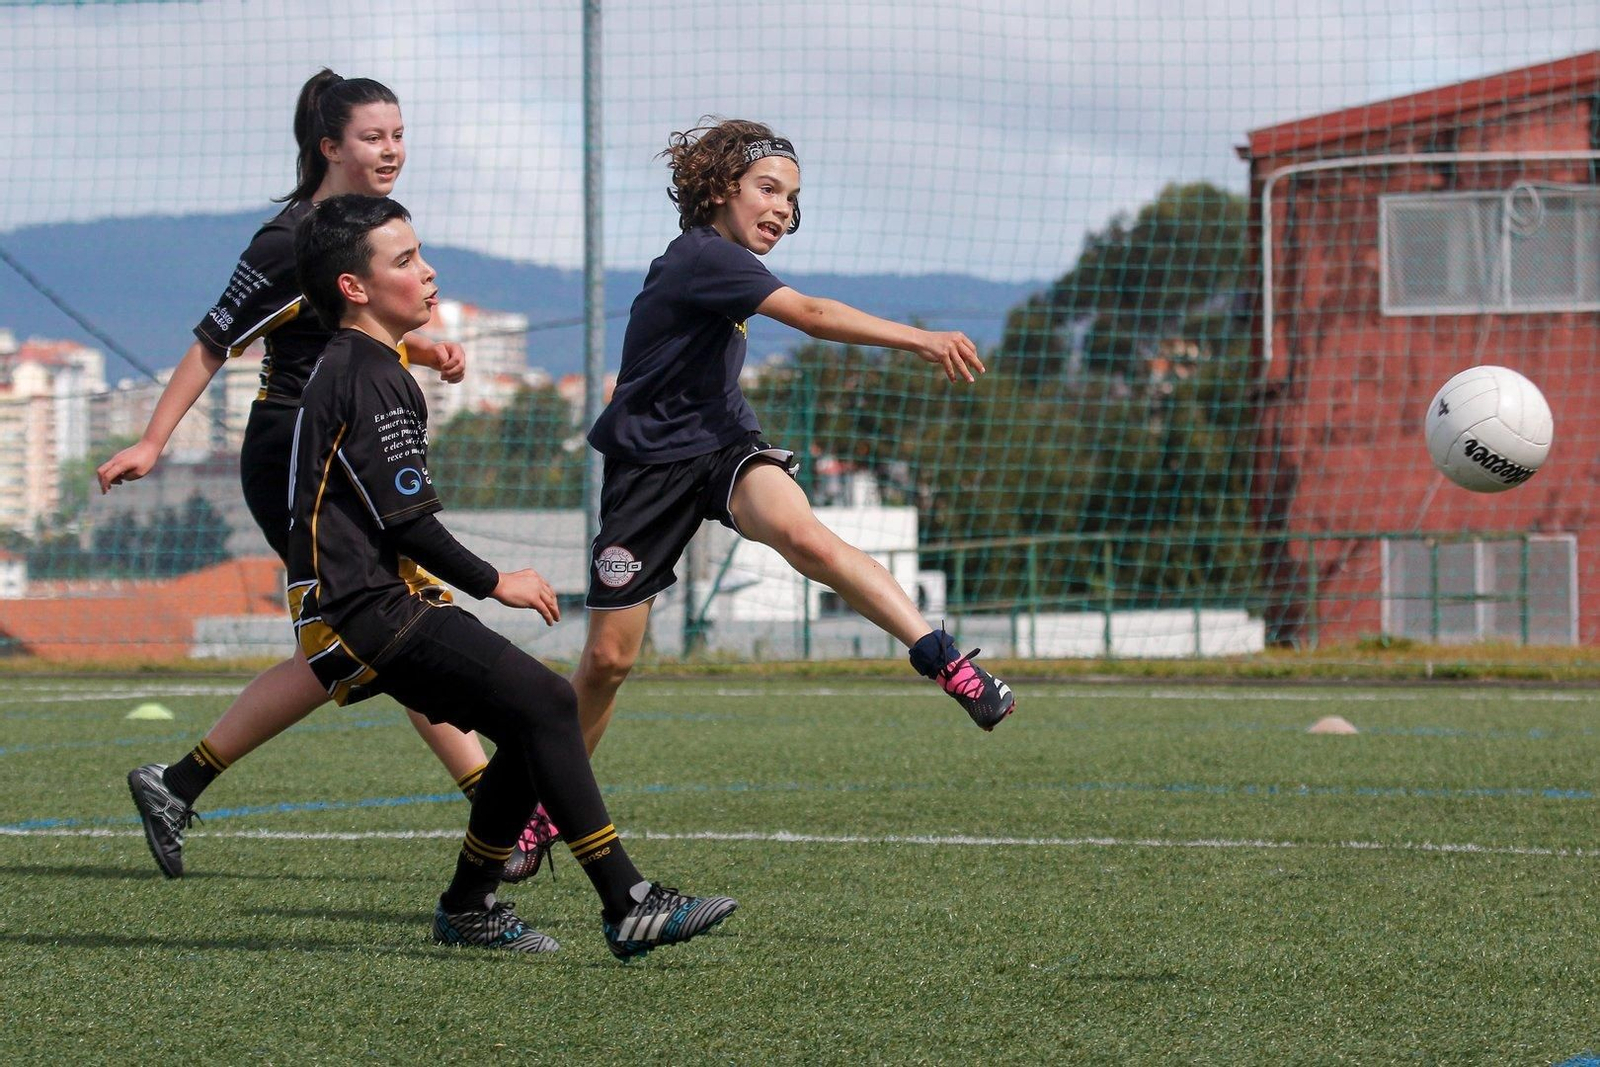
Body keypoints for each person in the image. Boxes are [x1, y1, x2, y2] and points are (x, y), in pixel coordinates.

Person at [99, 70, 544, 883]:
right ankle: (499, 810)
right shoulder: (287, 240)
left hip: (345, 450)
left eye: (399, 135)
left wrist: (421, 348)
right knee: (395, 629)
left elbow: (340, 329)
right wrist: (153, 442)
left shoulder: (363, 228)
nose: (392, 150)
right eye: (374, 137)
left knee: (378, 636)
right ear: (330, 146)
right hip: (296, 457)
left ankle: (179, 781)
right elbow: (212, 343)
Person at [532, 119, 1016, 850]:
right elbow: (812, 316)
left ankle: (943, 658)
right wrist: (921, 338)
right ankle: (545, 809)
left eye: (792, 197)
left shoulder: (730, 264)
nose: (783, 208)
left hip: (723, 447)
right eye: (768, 189)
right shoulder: (703, 256)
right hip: (646, 471)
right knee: (607, 661)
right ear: (719, 189)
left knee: (804, 536)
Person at [286, 191, 735, 956]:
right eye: (406, 261)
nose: (428, 272)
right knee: (549, 703)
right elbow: (406, 522)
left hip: (361, 604)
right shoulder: (368, 374)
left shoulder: (367, 366)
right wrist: (498, 580)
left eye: (421, 254)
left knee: (533, 716)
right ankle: (626, 901)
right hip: (362, 611)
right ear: (353, 287)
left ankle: (470, 904)